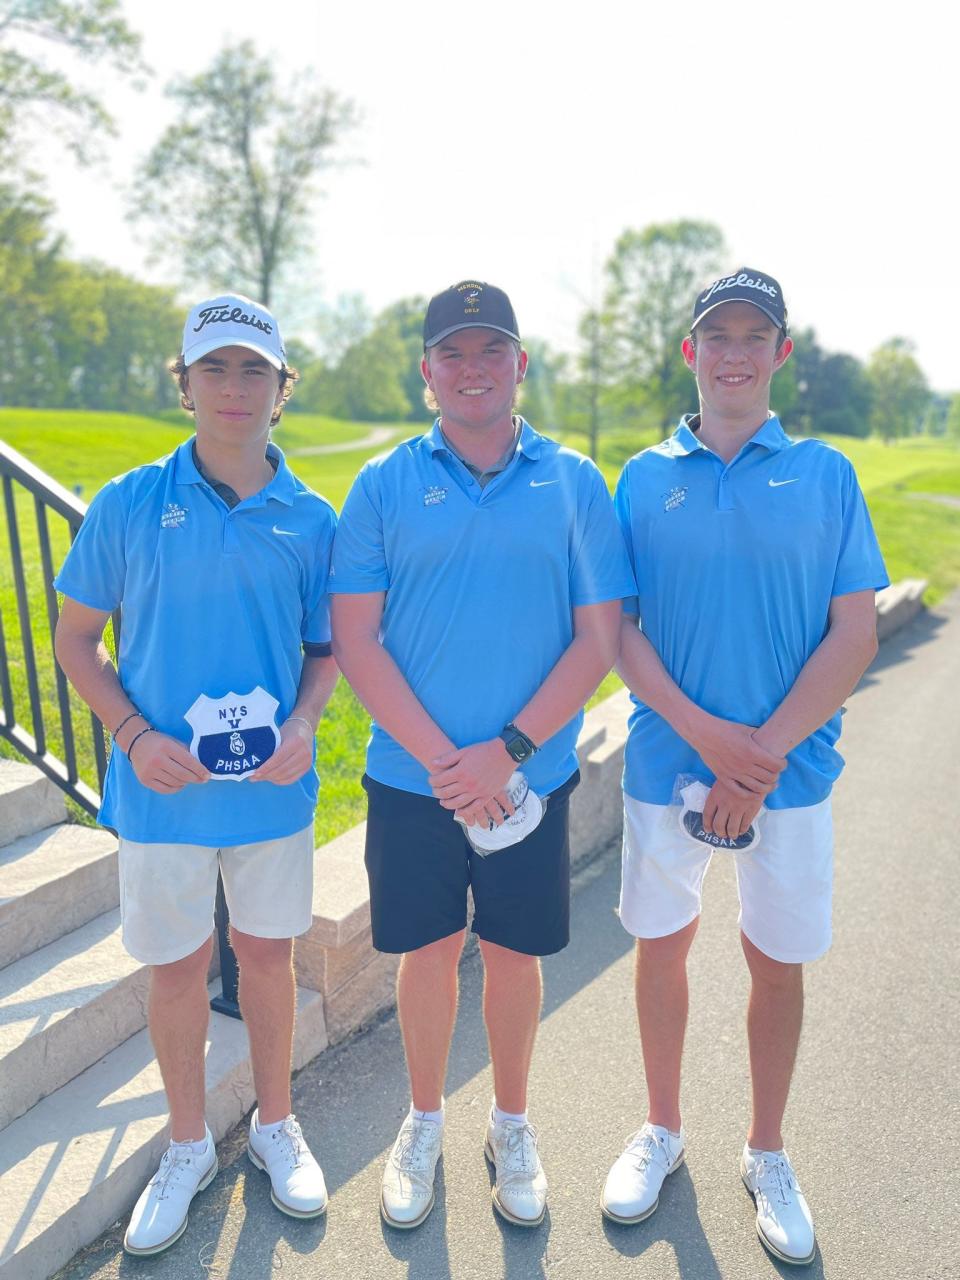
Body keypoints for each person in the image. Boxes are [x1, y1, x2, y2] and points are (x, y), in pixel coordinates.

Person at [330, 280, 635, 1229]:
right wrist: (447, 763)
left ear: (520, 365)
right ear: (427, 372)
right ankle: (422, 1120)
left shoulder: (574, 481)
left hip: (528, 776)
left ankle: (510, 1122)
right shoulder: (383, 483)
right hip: (414, 778)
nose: (472, 369)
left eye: (489, 350)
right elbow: (356, 639)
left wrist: (504, 753)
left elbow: (599, 637)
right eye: (452, 354)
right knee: (426, 951)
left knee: (512, 953)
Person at [602, 269, 888, 1265]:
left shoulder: (824, 475)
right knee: (663, 941)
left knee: (776, 960)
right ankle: (662, 1128)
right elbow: (621, 631)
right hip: (666, 761)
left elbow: (854, 629)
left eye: (752, 335)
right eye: (714, 334)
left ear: (781, 353)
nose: (732, 351)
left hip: (791, 772)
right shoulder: (641, 476)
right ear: (690, 351)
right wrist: (709, 736)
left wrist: (755, 757)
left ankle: (767, 1150)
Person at [54, 294, 337, 1255]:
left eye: (253, 370)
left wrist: (305, 721)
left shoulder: (311, 517)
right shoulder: (131, 502)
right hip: (160, 792)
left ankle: (274, 1124)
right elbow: (75, 640)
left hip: (269, 793)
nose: (233, 388)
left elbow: (324, 648)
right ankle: (186, 1144)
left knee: (266, 958)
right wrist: (132, 734)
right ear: (185, 385)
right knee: (175, 969)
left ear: (280, 390)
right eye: (213, 369)